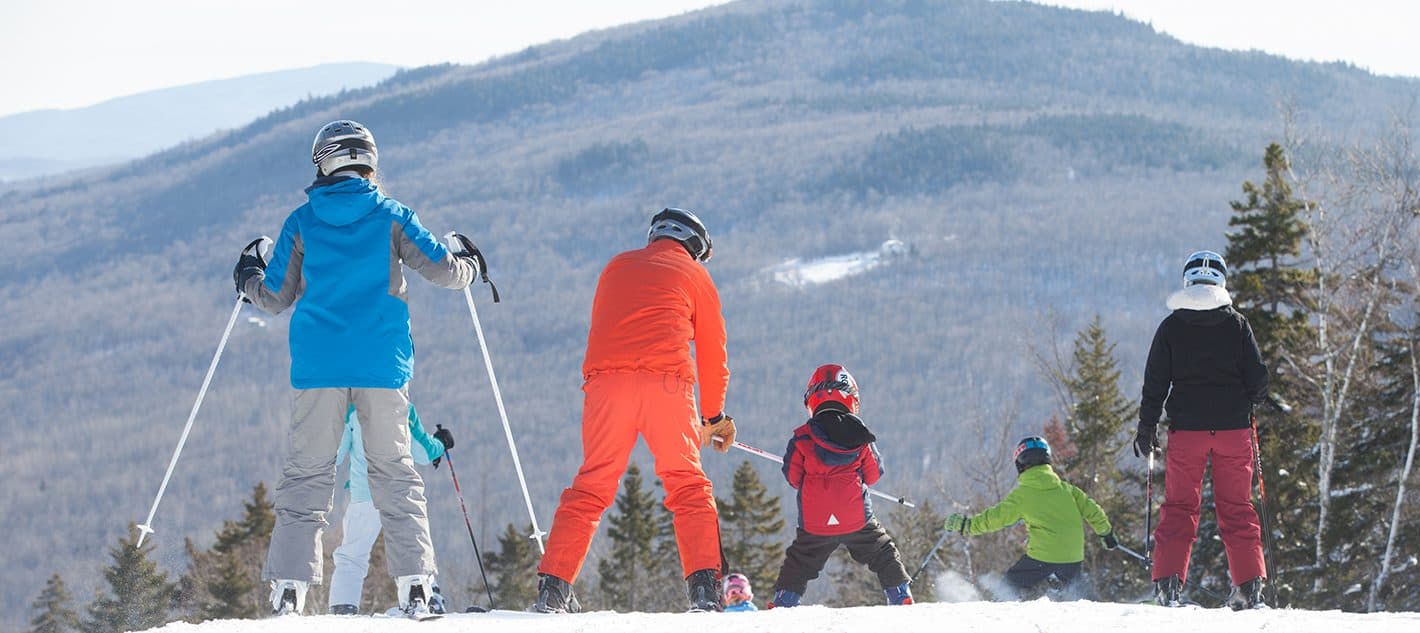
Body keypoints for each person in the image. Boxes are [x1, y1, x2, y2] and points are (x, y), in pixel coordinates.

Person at [235, 119, 482, 616]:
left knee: (308, 474)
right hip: (381, 368)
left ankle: (289, 591)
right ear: (368, 161)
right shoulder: (392, 216)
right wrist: (471, 264)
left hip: (318, 368)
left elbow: (275, 296)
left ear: (325, 161)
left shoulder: (301, 221)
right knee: (394, 472)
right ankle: (415, 586)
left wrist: (247, 278)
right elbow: (444, 270)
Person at [531, 208, 735, 613]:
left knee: (592, 485)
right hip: (667, 385)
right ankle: (704, 594)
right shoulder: (696, 276)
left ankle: (553, 590)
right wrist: (713, 417)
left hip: (607, 386)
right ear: (695, 245)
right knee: (687, 485)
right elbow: (712, 353)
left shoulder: (615, 266)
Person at [1135, 250, 1269, 609]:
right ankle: (1249, 586)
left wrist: (1146, 428)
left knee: (1179, 507)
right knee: (1237, 508)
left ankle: (1168, 585)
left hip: (1187, 433)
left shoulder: (1171, 327)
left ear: (1187, 281)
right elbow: (1259, 380)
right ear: (1221, 282)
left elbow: (1155, 384)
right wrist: (1251, 397)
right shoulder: (1238, 324)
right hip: (1233, 431)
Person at [768, 364, 913, 608]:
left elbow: (793, 477)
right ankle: (900, 595)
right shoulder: (861, 436)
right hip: (856, 518)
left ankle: (783, 603)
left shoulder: (802, 436)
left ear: (812, 398)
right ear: (851, 398)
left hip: (815, 523)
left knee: (799, 562)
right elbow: (874, 474)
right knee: (883, 552)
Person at [942, 436, 1115, 600]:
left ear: (1021, 463)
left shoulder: (1022, 496)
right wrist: (1106, 534)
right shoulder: (1068, 490)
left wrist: (967, 525)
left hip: (1043, 558)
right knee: (1078, 594)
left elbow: (994, 518)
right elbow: (1094, 512)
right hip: (1073, 558)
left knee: (1008, 587)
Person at [328, 405, 455, 615]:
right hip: (399, 492)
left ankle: (343, 607)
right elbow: (423, 453)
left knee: (352, 555)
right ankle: (419, 595)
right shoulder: (401, 404)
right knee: (411, 545)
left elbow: (337, 454)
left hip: (364, 493)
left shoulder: (351, 409)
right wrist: (441, 443)